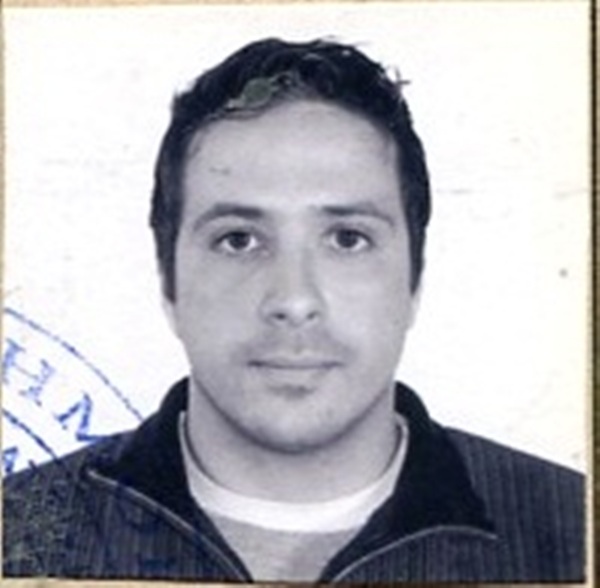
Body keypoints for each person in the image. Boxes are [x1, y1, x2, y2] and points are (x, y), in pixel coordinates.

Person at [3, 38, 584, 582]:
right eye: (238, 240)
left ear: (416, 277)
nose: (294, 300)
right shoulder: (16, 534)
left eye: (348, 239)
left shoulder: (575, 533)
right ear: (167, 279)